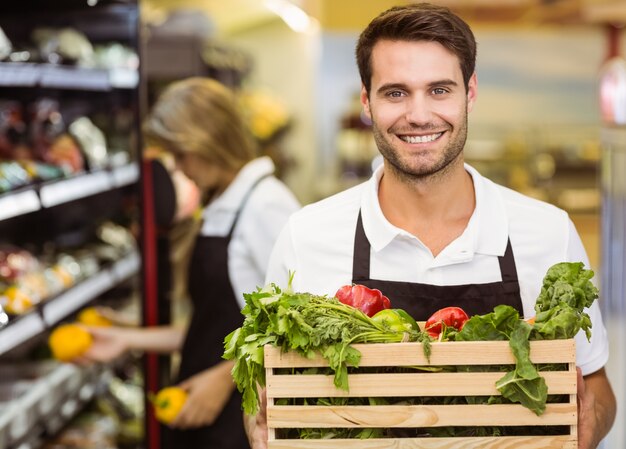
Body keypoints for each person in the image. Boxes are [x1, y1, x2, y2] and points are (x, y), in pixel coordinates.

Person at [247, 4, 616, 449]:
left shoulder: (548, 232)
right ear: (367, 101)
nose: (419, 115)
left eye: (439, 90)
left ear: (470, 94)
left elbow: (595, 385)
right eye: (396, 93)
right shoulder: (306, 236)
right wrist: (264, 430)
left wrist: (589, 428)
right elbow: (273, 394)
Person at [82, 77, 300, 449]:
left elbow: (300, 329)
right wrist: (125, 337)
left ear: (208, 140)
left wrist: (223, 378)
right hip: (200, 409)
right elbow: (216, 330)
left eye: (181, 155)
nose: (179, 169)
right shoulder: (222, 203)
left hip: (242, 416)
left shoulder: (265, 206)